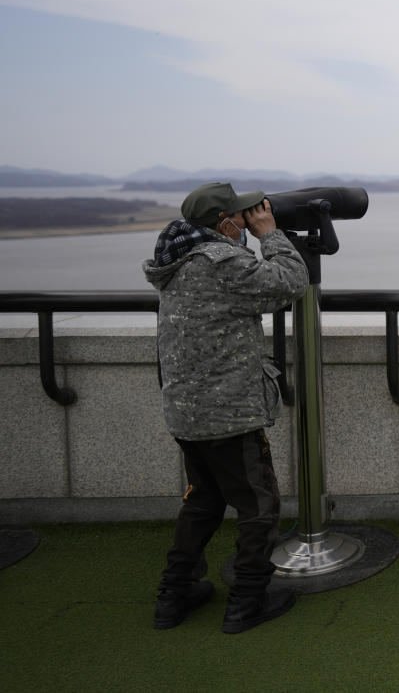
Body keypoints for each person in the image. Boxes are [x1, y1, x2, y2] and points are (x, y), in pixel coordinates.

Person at [142, 182, 309, 634]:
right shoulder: (223, 262)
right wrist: (270, 233)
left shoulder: (176, 258)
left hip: (186, 411)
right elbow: (290, 283)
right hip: (228, 414)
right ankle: (246, 601)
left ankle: (174, 595)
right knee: (258, 506)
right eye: (241, 215)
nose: (247, 219)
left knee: (203, 501)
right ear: (224, 224)